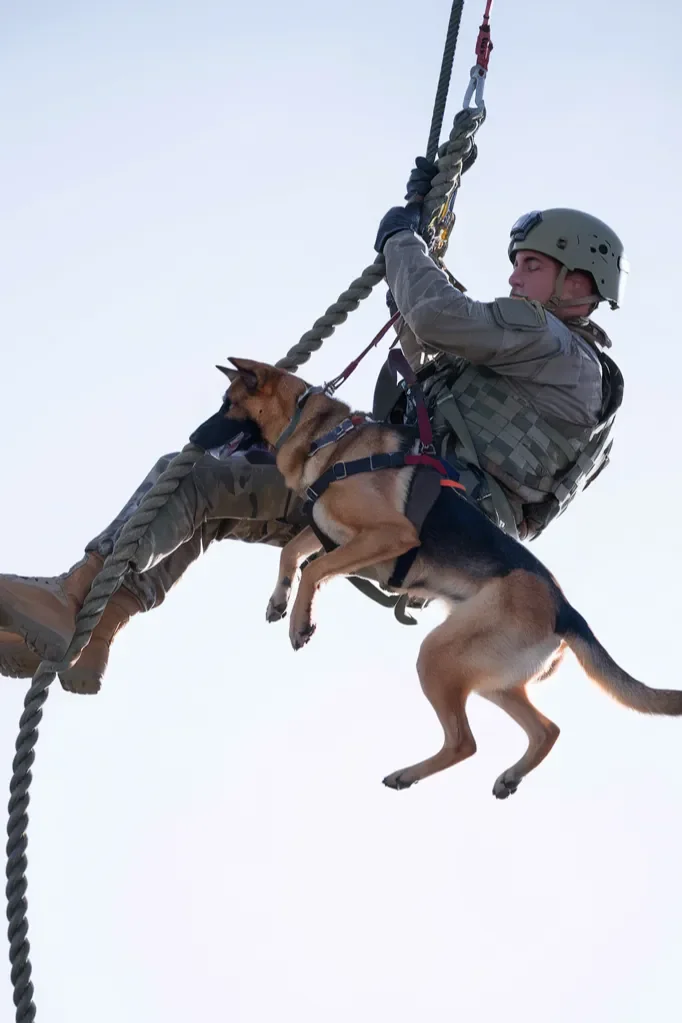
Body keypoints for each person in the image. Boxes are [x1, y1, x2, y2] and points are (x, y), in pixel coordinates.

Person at [0, 158, 627, 692]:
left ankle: (72, 593)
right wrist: (425, 228)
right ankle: (99, 625)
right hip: (418, 523)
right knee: (212, 496)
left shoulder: (553, 347)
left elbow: (436, 315)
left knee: (189, 478)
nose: (515, 277)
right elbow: (421, 330)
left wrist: (402, 242)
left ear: (578, 284)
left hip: (409, 511)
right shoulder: (557, 368)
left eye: (533, 266)